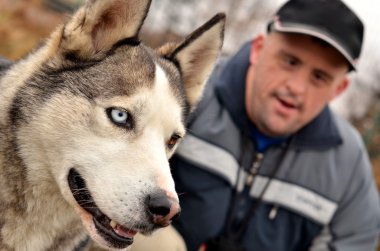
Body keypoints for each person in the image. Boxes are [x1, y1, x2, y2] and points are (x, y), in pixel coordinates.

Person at [131, 0, 380, 250]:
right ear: (258, 49)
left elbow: (354, 241)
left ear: (339, 89)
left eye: (319, 77)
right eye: (290, 62)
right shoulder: (184, 95)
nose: (297, 88)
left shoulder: (348, 163)